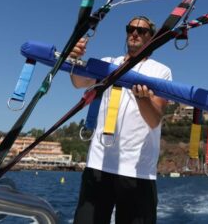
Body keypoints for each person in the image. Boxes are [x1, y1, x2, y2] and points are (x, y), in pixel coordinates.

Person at [70, 16, 171, 224]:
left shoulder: (161, 71)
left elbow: (154, 119)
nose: (135, 33)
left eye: (141, 31)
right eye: (130, 28)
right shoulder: (107, 63)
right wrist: (74, 58)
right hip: (99, 165)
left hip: (138, 171)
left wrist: (142, 99)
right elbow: (78, 82)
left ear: (151, 37)